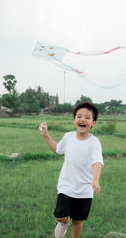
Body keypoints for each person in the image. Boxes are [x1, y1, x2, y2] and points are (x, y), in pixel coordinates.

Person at [39, 102, 103, 238]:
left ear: (93, 123)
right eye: (79, 116)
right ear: (74, 121)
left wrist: (96, 179)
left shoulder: (94, 142)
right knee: (60, 216)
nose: (83, 119)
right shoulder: (68, 136)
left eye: (87, 117)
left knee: (78, 220)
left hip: (85, 189)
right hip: (66, 185)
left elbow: (97, 162)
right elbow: (58, 149)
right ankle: (64, 222)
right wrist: (45, 135)